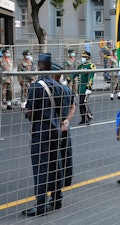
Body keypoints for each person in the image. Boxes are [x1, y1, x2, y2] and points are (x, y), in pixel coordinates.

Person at [23, 53, 64, 216]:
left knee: (41, 168)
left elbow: (31, 113)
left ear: (40, 65)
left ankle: (40, 205)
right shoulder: (58, 86)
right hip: (55, 130)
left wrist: (27, 112)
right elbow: (61, 111)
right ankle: (57, 198)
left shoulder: (36, 85)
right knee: (56, 164)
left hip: (41, 131)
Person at [52, 63, 75, 187]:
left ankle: (58, 181)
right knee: (67, 153)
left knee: (56, 155)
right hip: (65, 125)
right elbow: (73, 107)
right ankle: (67, 179)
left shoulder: (53, 90)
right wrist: (67, 120)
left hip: (55, 126)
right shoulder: (67, 89)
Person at [71, 51, 95, 125]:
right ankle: (84, 118)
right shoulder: (80, 66)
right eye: (82, 57)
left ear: (88, 58)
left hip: (86, 88)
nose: (83, 58)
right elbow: (74, 74)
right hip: (80, 88)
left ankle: (89, 116)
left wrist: (89, 87)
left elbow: (91, 77)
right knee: (81, 103)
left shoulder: (91, 66)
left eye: (84, 57)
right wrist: (68, 79)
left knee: (83, 102)